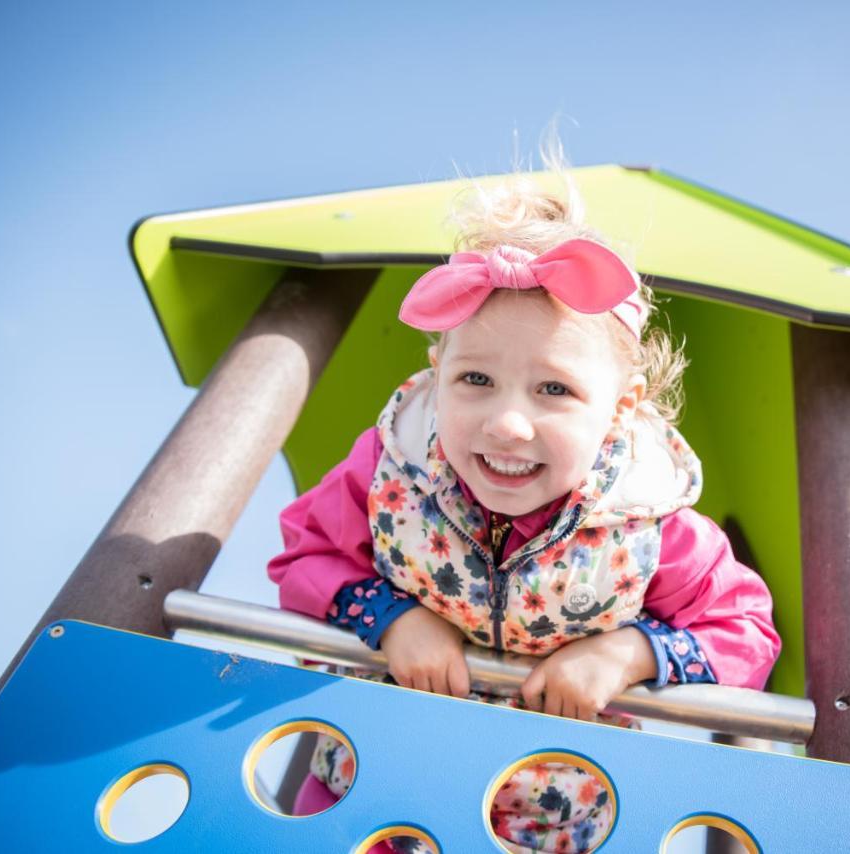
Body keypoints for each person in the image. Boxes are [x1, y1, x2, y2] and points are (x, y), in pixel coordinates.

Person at [267, 160, 781, 853]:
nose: (509, 423)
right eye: (475, 378)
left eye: (554, 391)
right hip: (369, 785)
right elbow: (305, 552)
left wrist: (627, 654)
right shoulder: (391, 472)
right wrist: (392, 619)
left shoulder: (649, 525)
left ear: (621, 410)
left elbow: (744, 628)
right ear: (435, 373)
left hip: (552, 824)